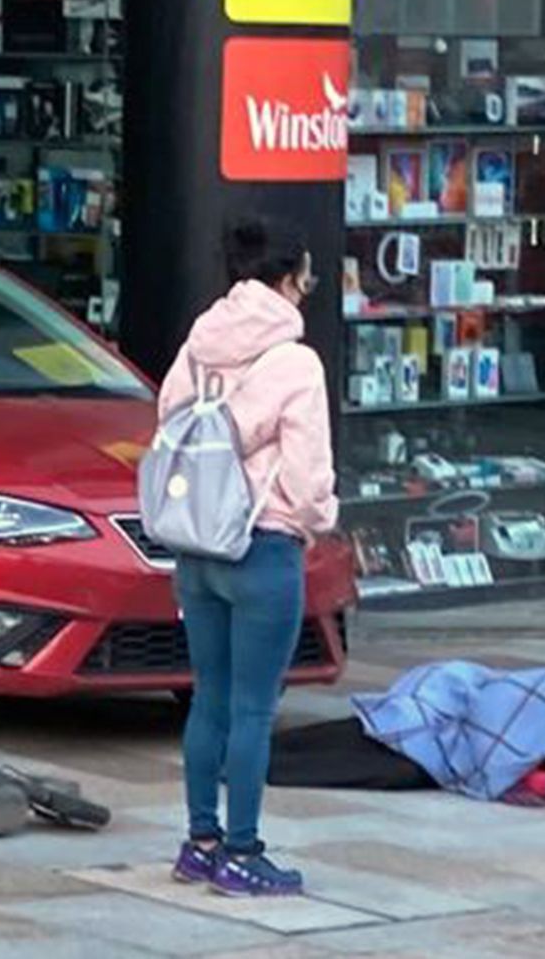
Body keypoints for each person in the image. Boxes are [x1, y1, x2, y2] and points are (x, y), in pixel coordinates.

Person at [157, 218, 337, 898]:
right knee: (255, 709)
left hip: (196, 545)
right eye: (308, 279)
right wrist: (318, 520)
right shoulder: (295, 362)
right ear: (288, 281)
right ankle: (242, 851)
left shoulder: (198, 347)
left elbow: (168, 421)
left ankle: (199, 843)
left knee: (208, 697)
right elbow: (309, 475)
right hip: (263, 547)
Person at [267, 660, 545, 809]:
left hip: (450, 757)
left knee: (394, 769)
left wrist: (544, 784)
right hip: (459, 700)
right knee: (380, 730)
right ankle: (251, 752)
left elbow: (501, 772)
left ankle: (258, 766)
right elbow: (507, 699)